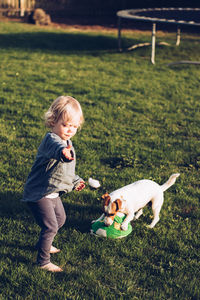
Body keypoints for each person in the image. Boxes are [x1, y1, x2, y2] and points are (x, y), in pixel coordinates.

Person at [22, 96, 85, 272]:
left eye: (74, 126)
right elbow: (58, 151)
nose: (70, 130)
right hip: (40, 194)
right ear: (53, 121)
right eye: (65, 125)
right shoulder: (52, 141)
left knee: (60, 220)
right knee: (50, 226)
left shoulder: (68, 143)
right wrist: (62, 152)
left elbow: (64, 171)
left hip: (53, 192)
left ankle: (44, 243)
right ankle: (43, 261)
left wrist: (75, 181)